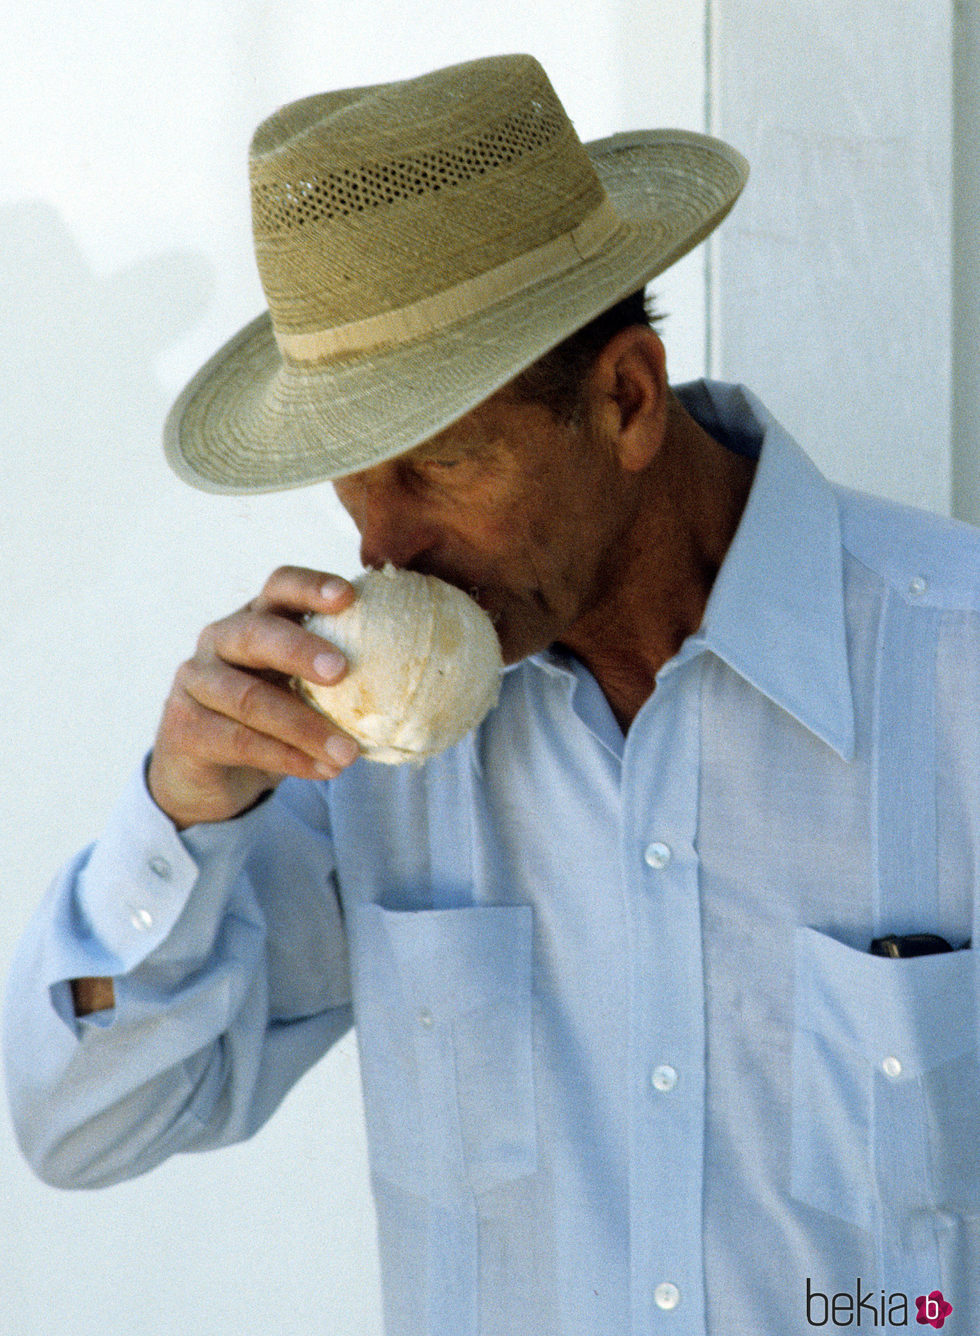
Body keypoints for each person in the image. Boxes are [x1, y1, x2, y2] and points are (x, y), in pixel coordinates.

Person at [5, 52, 980, 1336]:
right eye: (352, 484)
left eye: (437, 466)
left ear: (623, 398)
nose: (381, 550)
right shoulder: (360, 748)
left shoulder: (952, 668)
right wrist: (178, 812)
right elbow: (86, 1125)